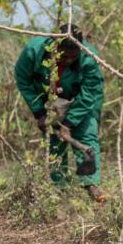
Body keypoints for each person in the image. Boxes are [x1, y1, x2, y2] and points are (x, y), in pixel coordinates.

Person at [14, 24, 107, 202]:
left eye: (74, 57)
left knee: (86, 136)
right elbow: (23, 79)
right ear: (54, 46)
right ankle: (60, 190)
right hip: (49, 102)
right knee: (55, 144)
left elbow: (90, 93)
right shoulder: (34, 51)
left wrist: (69, 124)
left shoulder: (89, 57)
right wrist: (39, 113)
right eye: (64, 56)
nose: (69, 61)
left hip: (80, 102)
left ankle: (91, 184)